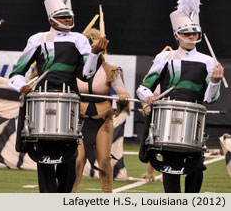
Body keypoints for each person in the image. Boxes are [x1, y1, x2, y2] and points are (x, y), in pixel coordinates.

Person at [8, 0, 108, 192]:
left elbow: (87, 75)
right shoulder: (38, 39)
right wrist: (22, 86)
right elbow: (15, 74)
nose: (68, 20)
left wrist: (95, 54)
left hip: (69, 100)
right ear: (51, 20)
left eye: (69, 16)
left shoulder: (79, 39)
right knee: (44, 158)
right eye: (63, 17)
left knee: (68, 164)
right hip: (42, 102)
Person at [136, 10, 224, 192]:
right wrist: (148, 96)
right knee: (170, 167)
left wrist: (215, 82)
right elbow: (142, 88)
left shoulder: (208, 61)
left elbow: (211, 98)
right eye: (186, 33)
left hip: (194, 121)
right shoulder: (165, 58)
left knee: (197, 166)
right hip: (168, 120)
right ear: (177, 35)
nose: (191, 37)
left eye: (194, 33)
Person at [71, 28, 130, 193]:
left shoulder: (111, 70)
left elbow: (122, 90)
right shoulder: (74, 69)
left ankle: (107, 195)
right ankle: (69, 194)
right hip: (78, 120)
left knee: (104, 160)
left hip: (102, 119)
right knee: (78, 159)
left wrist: (123, 96)